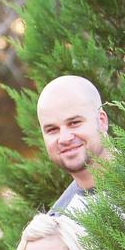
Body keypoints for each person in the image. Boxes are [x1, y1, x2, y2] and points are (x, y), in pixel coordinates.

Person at [36, 75, 111, 215]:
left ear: (102, 121)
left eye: (74, 123)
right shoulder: (58, 222)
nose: (64, 138)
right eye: (52, 129)